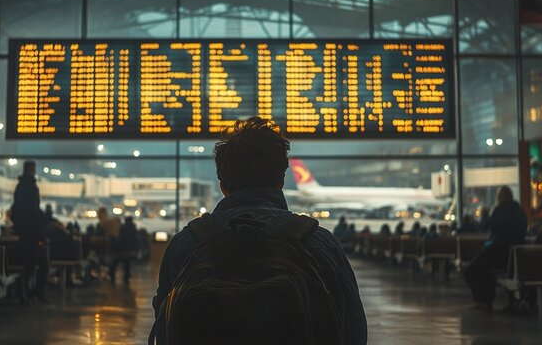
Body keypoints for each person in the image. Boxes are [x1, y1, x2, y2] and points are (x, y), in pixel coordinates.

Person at [150, 117, 367, 345]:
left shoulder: (187, 244)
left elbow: (165, 329)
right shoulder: (318, 243)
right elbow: (353, 330)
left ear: (223, 185)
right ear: (281, 181)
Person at [464, 186, 527, 308]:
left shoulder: (499, 211)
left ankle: (482, 299)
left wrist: (484, 215)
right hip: (515, 256)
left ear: (499, 198)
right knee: (482, 267)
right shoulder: (520, 211)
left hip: (499, 253)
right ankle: (487, 298)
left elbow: (484, 227)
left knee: (471, 269)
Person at [11, 160, 48, 302]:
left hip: (23, 232)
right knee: (41, 264)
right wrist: (40, 233)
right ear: (32, 170)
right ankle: (35, 291)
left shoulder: (19, 187)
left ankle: (25, 290)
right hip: (32, 233)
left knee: (28, 264)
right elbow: (34, 212)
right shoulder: (32, 188)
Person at [110, 216, 140, 285]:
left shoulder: (122, 228)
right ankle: (126, 275)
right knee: (127, 263)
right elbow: (136, 240)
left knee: (116, 261)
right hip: (130, 250)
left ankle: (112, 273)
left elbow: (119, 239)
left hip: (121, 250)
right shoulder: (133, 228)